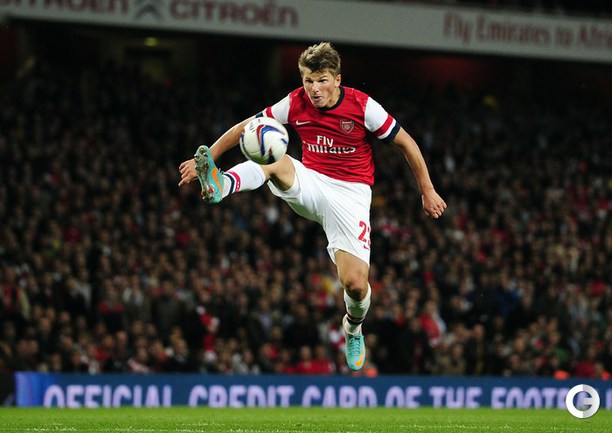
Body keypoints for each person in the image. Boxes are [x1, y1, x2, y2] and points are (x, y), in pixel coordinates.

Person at [178, 42, 446, 371]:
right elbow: (245, 127)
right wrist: (207, 156)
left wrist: (427, 190)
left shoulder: (363, 107)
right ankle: (222, 184)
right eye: (308, 81)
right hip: (311, 180)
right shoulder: (295, 102)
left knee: (355, 285)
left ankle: (353, 327)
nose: (314, 89)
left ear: (337, 79)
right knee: (273, 157)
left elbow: (406, 142)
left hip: (350, 195)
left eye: (321, 80)